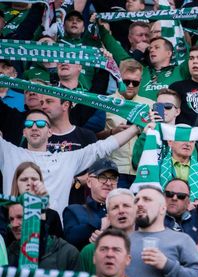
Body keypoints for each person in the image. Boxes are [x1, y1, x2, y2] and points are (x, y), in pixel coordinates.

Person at [0, 109, 142, 214]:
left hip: (52, 233)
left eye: (41, 124)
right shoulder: (8, 152)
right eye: (29, 124)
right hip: (14, 230)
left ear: (50, 132)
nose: (34, 127)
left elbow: (103, 147)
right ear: (24, 132)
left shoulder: (66, 159)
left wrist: (137, 127)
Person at [126, 185, 198, 277]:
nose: (139, 204)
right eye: (136, 200)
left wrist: (167, 265)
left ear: (162, 209)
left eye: (147, 199)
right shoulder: (123, 240)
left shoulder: (182, 240)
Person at [104, 59, 153, 188]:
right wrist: (112, 132)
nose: (130, 85)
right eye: (126, 81)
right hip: (114, 169)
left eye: (135, 82)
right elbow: (92, 136)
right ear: (118, 79)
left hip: (143, 169)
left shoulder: (150, 105)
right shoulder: (105, 102)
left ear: (140, 81)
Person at [63, 158, 119, 250]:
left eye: (113, 178)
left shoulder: (124, 211)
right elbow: (69, 239)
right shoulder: (75, 210)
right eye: (102, 177)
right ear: (89, 182)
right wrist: (99, 223)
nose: (109, 183)